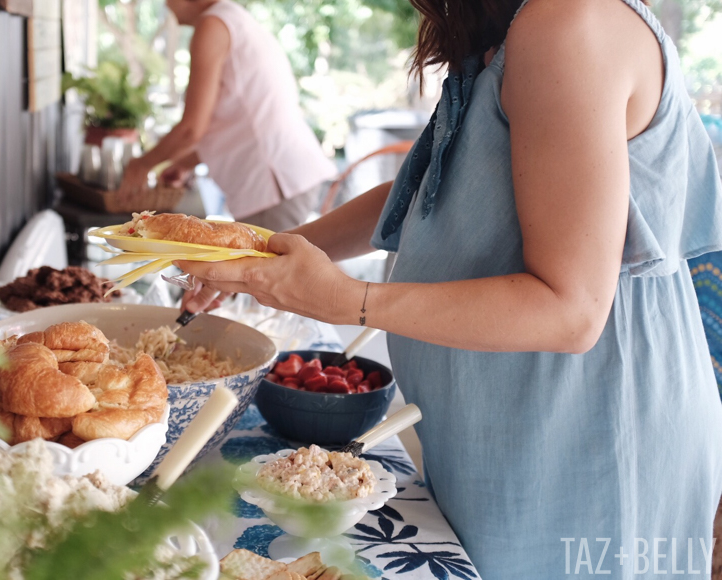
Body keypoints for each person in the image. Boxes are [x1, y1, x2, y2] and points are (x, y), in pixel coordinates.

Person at [178, 0, 722, 577]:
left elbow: (572, 309)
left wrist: (348, 301)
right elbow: (432, 183)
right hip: (504, 435)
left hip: (588, 438)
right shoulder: (513, 28)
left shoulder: (569, 24)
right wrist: (262, 250)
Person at [118, 0, 337, 232]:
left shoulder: (213, 25)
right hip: (286, 176)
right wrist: (185, 163)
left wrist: (142, 165)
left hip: (274, 183)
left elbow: (192, 129)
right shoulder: (232, 18)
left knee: (266, 266)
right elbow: (239, 118)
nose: (166, 4)